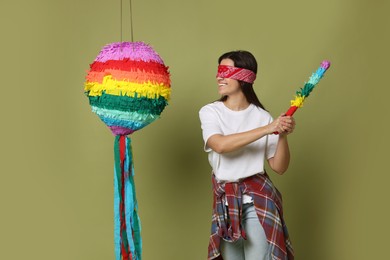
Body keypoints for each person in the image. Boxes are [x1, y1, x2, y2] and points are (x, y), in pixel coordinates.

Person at [199, 50, 295, 260]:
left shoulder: (262, 116)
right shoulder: (210, 112)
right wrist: (269, 128)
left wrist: (282, 135)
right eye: (218, 71)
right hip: (226, 204)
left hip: (257, 201)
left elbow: (279, 167)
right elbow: (220, 145)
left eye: (225, 71)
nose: (218, 77)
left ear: (244, 77)